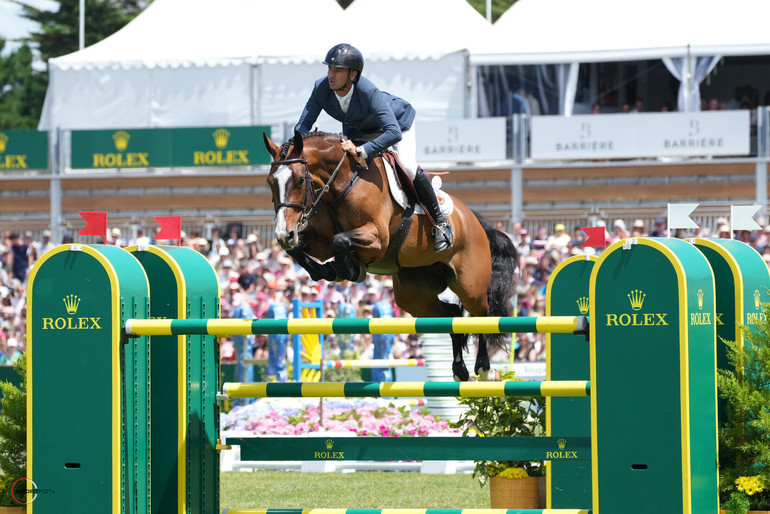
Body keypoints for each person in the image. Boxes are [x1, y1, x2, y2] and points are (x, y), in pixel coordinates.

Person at [295, 43, 452, 252]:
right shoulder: (321, 88)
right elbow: (303, 127)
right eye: (329, 69)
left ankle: (441, 223)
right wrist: (295, 150)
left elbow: (393, 132)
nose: (330, 75)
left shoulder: (368, 91)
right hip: (359, 130)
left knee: (408, 166)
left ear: (353, 75)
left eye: (337, 70)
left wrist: (364, 150)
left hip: (396, 125)